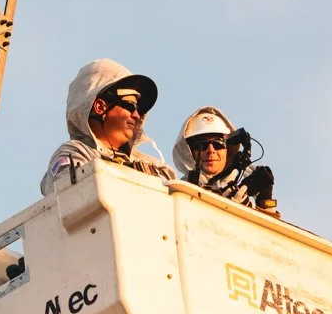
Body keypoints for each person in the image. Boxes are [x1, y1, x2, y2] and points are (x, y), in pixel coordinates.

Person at [40, 59, 174, 196]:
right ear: (99, 107)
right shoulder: (75, 153)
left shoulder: (155, 167)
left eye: (138, 109)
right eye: (129, 106)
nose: (136, 115)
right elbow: (71, 197)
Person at [173, 105, 279, 217]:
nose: (211, 150)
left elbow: (267, 232)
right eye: (202, 145)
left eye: (218, 144)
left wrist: (265, 202)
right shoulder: (180, 191)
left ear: (228, 150)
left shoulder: (241, 194)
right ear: (189, 151)